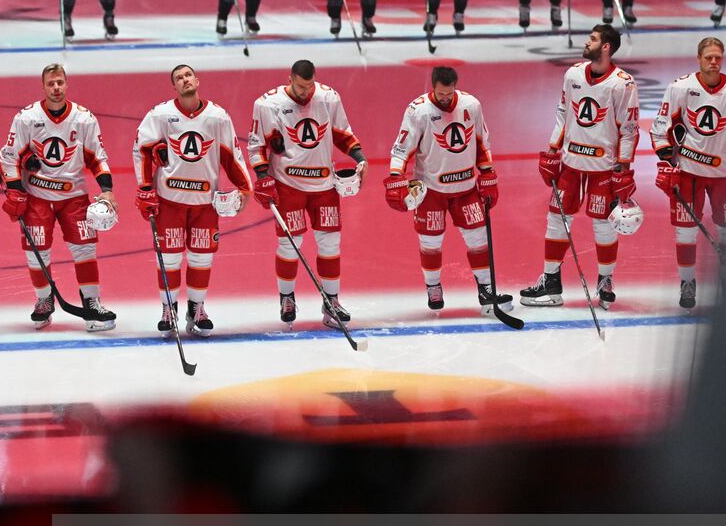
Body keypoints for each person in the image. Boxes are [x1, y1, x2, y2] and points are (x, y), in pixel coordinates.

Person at [519, 24, 640, 308]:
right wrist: (552, 149)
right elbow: (563, 113)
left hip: (603, 167)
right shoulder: (573, 74)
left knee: (604, 224)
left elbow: (629, 128)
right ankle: (551, 282)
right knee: (556, 218)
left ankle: (605, 281)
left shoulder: (623, 83)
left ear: (606, 47)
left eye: (593, 39)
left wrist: (623, 167)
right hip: (571, 165)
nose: (587, 42)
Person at [133, 64, 252, 336]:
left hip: (205, 203)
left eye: (188, 75)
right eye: (179, 78)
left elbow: (232, 154)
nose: (185, 80)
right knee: (170, 258)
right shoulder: (160, 114)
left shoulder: (218, 116)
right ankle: (169, 308)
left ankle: (196, 308)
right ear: (174, 86)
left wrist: (245, 188)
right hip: (169, 201)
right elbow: (141, 150)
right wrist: (145, 188)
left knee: (201, 258)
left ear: (197, 80)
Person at [248, 59, 367, 328]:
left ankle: (331, 302)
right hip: (288, 186)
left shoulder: (328, 97)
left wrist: (360, 159)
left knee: (330, 244)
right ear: (290, 79)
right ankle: (287, 297)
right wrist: (263, 178)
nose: (305, 93)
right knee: (290, 244)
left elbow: (343, 134)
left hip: (325, 185)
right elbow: (256, 146)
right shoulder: (267, 104)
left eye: (309, 86)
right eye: (300, 87)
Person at [0, 64, 118, 331]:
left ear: (66, 85)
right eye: (51, 83)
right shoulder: (26, 118)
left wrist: (107, 189)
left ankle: (92, 302)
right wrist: (16, 189)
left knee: (85, 249)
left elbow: (97, 156)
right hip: (37, 197)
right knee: (36, 252)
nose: (56, 88)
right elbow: (9, 156)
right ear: (43, 86)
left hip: (74, 196)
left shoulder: (84, 118)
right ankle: (44, 301)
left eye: (60, 83)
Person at [384, 66, 510, 314]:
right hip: (431, 190)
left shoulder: (471, 105)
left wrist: (488, 174)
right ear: (433, 87)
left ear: (455, 86)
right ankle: (433, 286)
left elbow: (482, 141)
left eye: (449, 93)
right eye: (441, 94)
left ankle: (486, 289)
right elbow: (402, 148)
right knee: (430, 242)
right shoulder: (418, 110)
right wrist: (396, 178)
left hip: (465, 188)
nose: (445, 98)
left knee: (478, 238)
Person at [651, 38, 726, 309]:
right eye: (708, 57)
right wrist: (666, 162)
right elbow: (661, 129)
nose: (713, 62)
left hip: (725, 175)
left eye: (718, 57)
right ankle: (687, 283)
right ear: (698, 58)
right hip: (688, 174)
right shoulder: (680, 88)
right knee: (685, 232)